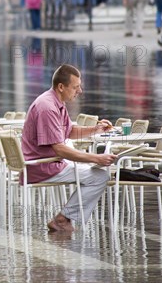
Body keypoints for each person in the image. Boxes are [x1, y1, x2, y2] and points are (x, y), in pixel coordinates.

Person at [21, 64, 116, 232]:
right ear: (61, 87)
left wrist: (96, 129)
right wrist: (97, 158)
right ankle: (62, 219)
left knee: (93, 170)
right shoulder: (48, 107)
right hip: (43, 166)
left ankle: (64, 218)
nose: (79, 91)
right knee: (100, 176)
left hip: (46, 163)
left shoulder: (55, 101)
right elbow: (60, 149)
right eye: (75, 87)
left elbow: (69, 131)